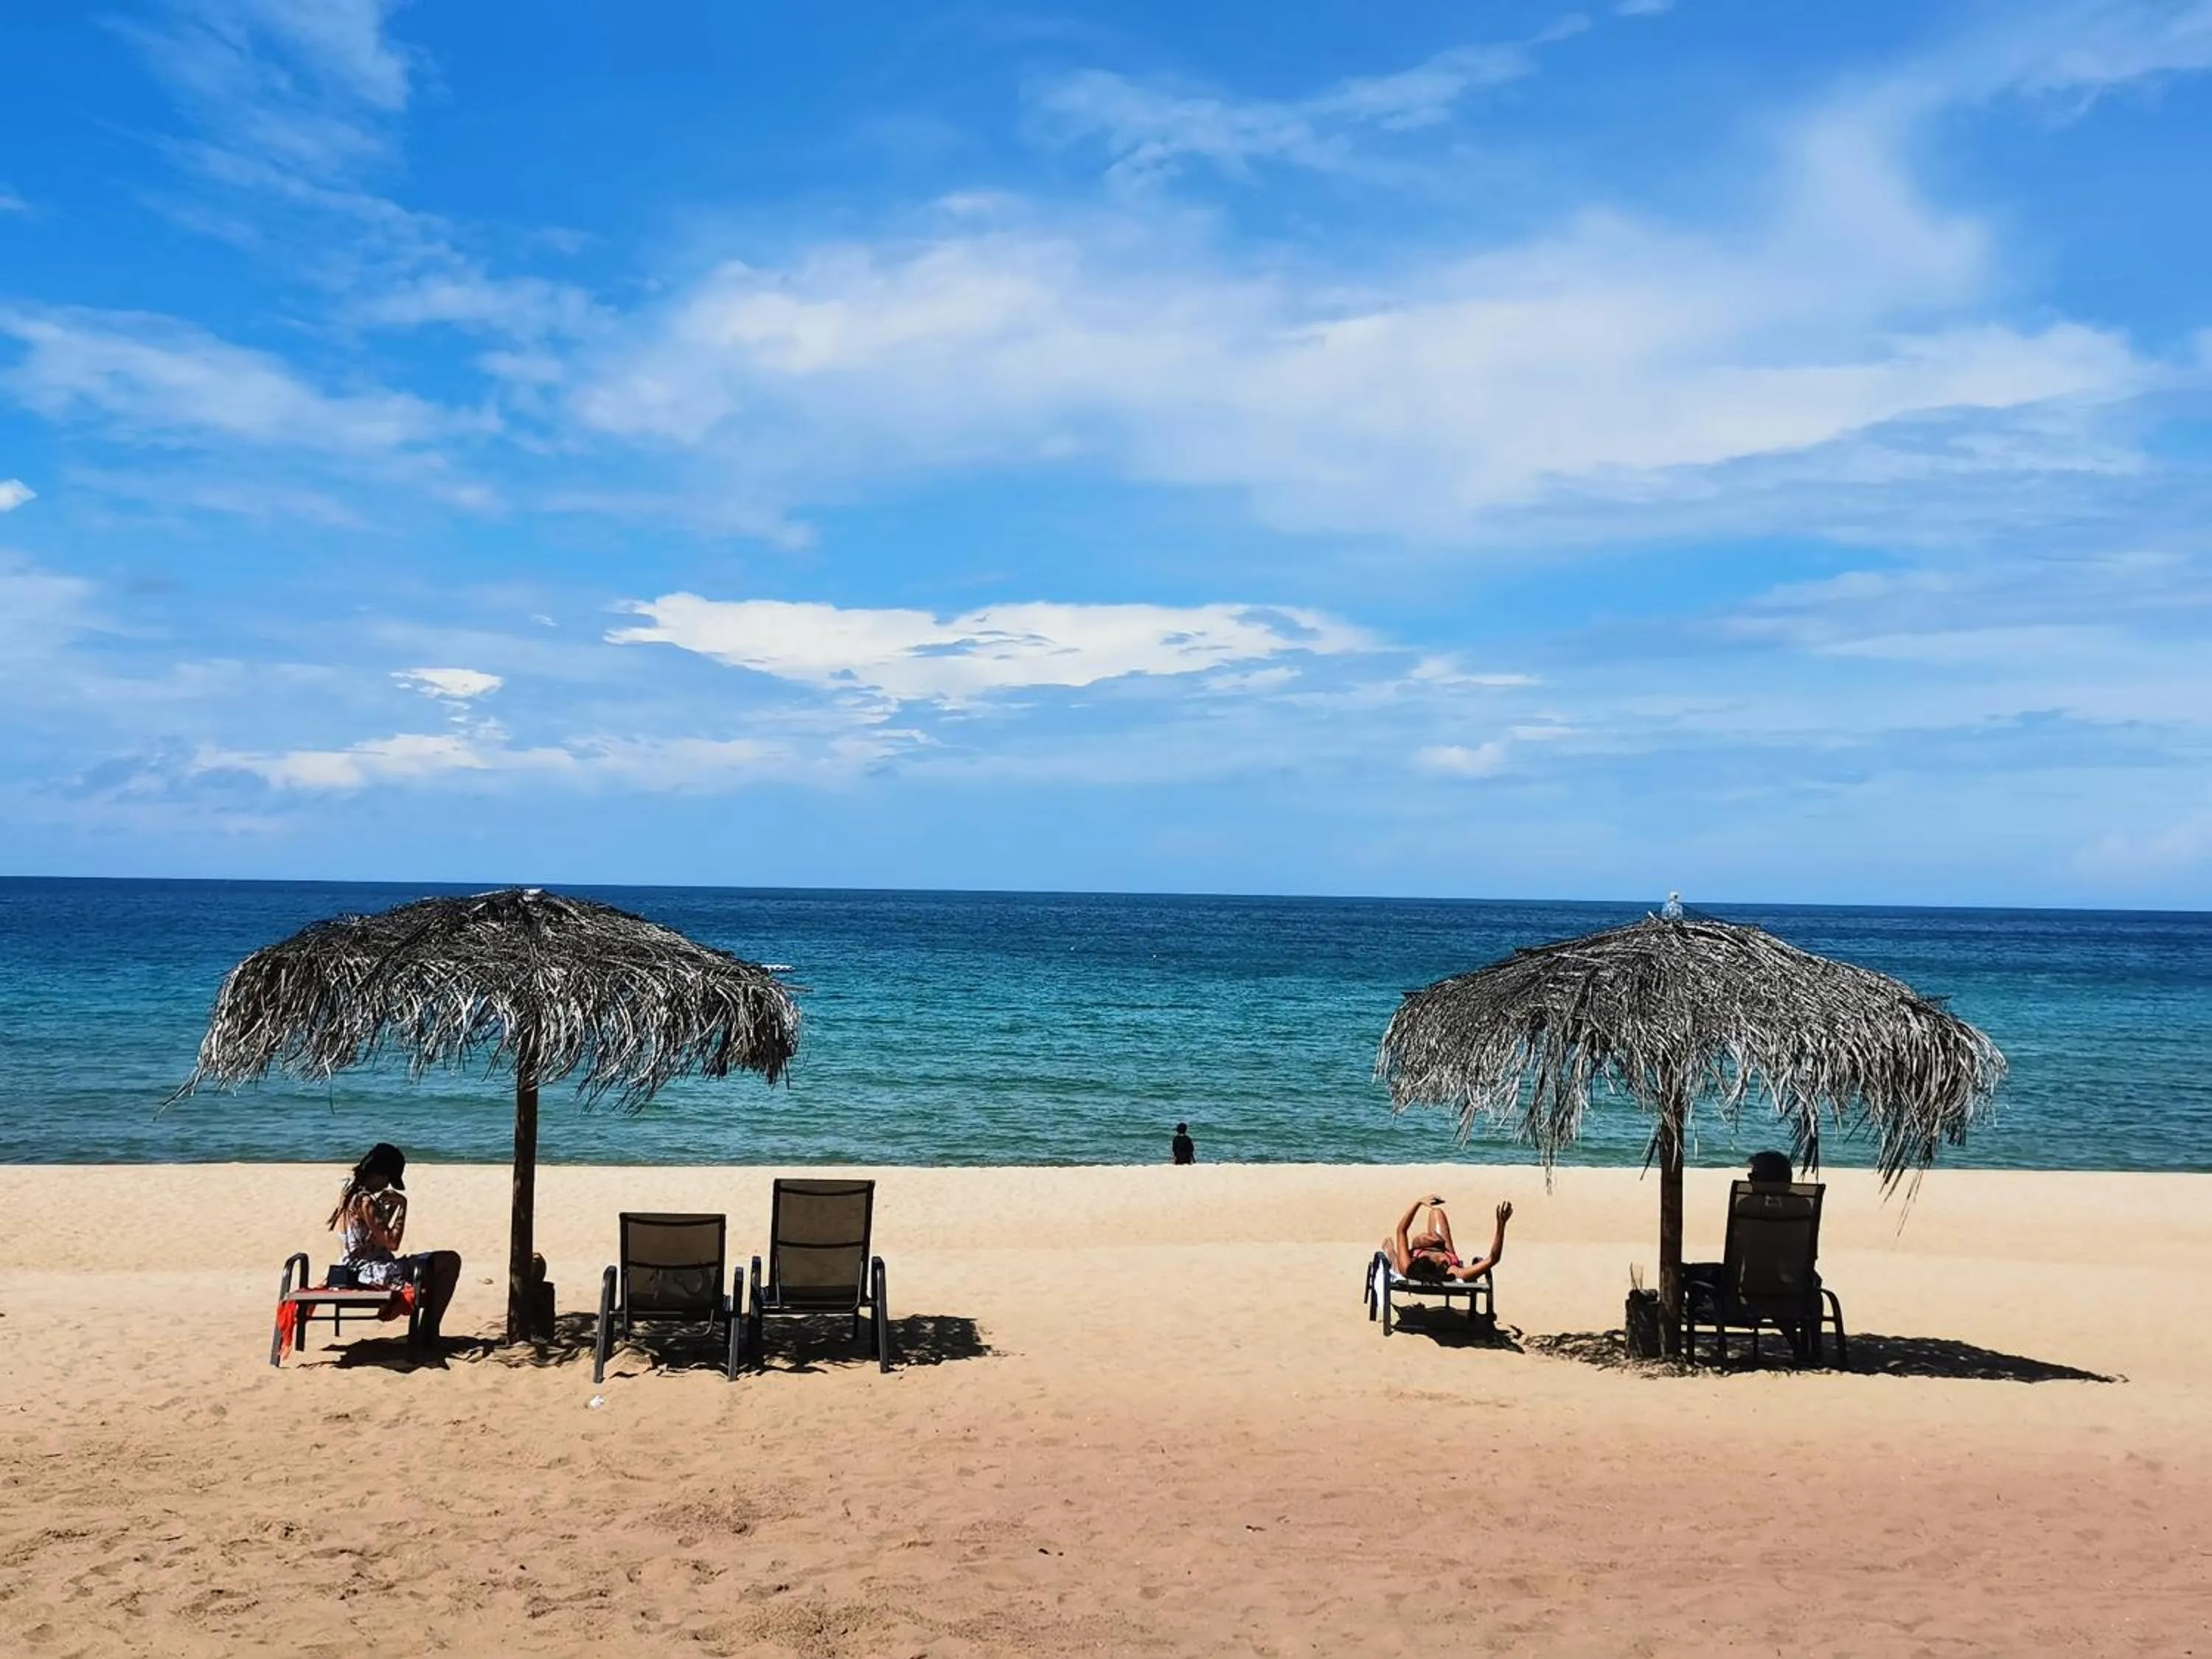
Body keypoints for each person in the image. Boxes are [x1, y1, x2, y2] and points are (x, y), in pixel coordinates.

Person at [328, 1142, 462, 1343]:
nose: (387, 1186)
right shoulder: (366, 1202)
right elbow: (392, 1242)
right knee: (450, 1261)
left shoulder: (349, 1193)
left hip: (354, 1267)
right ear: (381, 1174)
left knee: (432, 1264)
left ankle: (426, 1330)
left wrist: (386, 1211)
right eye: (388, 1180)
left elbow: (373, 1238)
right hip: (372, 1272)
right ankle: (430, 1330)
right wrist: (402, 1208)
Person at [1382, 1193, 1510, 1282]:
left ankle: (1391, 1253)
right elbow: (1493, 1259)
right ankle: (1394, 1252)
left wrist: (1419, 1203)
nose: (1439, 1257)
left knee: (1402, 1256)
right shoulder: (1454, 1272)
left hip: (1420, 1248)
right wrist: (1501, 1226)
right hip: (1446, 1251)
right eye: (1439, 1259)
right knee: (1437, 1213)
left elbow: (1401, 1230)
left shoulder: (1408, 1268)